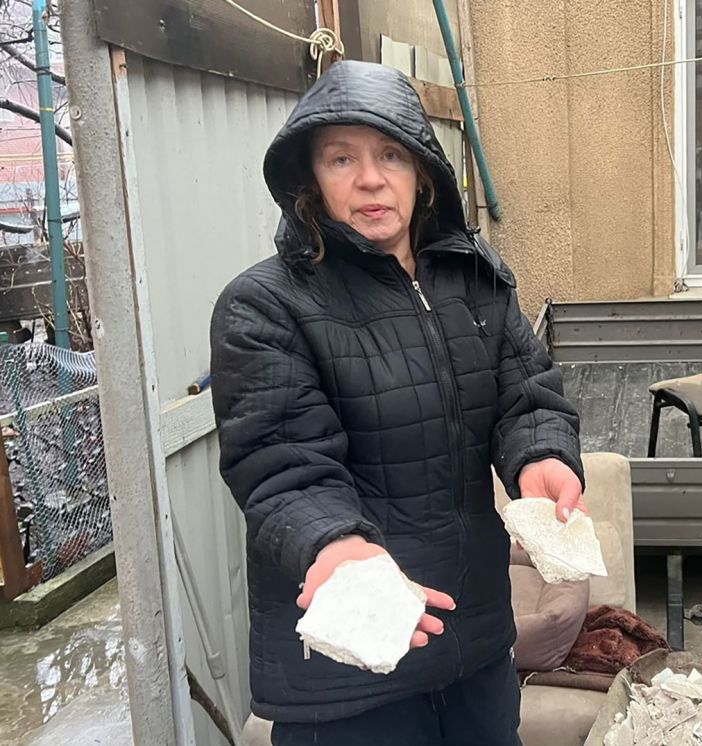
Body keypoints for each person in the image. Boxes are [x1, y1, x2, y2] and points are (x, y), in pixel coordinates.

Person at [209, 60, 585, 746]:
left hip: (473, 645)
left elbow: (528, 397)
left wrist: (542, 459)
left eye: (389, 153)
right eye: (341, 158)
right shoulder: (265, 305)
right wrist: (338, 545)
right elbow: (281, 464)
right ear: (310, 180)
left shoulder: (476, 279)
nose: (371, 177)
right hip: (353, 670)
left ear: (422, 173)